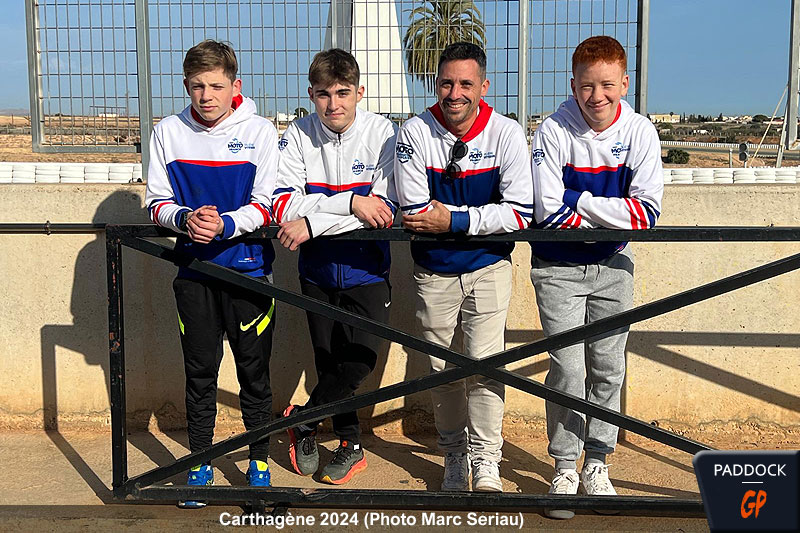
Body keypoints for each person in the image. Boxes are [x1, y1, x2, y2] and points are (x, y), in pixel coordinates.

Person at [529, 35, 664, 519]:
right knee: (567, 369)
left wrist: (578, 201)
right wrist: (608, 212)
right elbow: (547, 211)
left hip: (614, 266)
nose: (597, 96)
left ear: (624, 84)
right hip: (557, 269)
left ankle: (598, 463)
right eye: (587, 86)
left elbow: (646, 215)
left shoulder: (641, 132)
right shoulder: (552, 130)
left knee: (608, 368)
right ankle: (565, 467)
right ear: (573, 85)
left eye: (608, 85)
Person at [144, 39, 279, 507]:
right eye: (198, 86)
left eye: (216, 86)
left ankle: (258, 463)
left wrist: (225, 224)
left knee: (254, 374)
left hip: (249, 274)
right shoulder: (167, 131)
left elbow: (267, 204)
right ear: (186, 86)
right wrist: (185, 219)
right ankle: (199, 463)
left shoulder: (261, 131)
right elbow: (155, 202)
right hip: (194, 274)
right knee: (199, 374)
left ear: (235, 86)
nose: (206, 96)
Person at [394, 42, 533, 493]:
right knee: (442, 368)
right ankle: (454, 454)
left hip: (490, 266)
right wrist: (479, 218)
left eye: (465, 84)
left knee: (486, 366)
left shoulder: (507, 133)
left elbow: (519, 214)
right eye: (446, 83)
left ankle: (487, 459)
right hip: (433, 270)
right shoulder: (415, 131)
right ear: (436, 84)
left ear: (483, 86)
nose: (455, 93)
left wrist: (454, 220)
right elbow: (416, 212)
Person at [272, 48, 397, 485]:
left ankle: (303, 419)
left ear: (360, 92)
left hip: (368, 271)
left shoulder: (383, 132)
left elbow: (382, 210)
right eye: (323, 94)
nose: (333, 104)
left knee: (359, 362)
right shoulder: (297, 134)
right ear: (311, 95)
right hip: (317, 273)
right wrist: (349, 203)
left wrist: (314, 221)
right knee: (328, 365)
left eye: (343, 93)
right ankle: (350, 445)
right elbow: (283, 205)